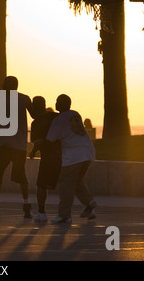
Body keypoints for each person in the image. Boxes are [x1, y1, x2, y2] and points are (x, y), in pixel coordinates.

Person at [46, 94, 96, 224]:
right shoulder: (75, 114)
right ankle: (89, 202)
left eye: (57, 101)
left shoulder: (58, 120)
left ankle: (64, 215)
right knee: (77, 180)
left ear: (61, 104)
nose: (55, 103)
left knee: (66, 184)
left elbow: (50, 139)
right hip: (88, 151)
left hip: (73, 156)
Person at [0, 76, 34, 218]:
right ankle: (26, 204)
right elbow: (35, 114)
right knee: (21, 176)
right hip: (19, 145)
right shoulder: (24, 99)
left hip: (2, 144)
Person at [29, 96, 61, 223]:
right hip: (62, 155)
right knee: (65, 185)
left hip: (48, 158)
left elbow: (39, 142)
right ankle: (65, 213)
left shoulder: (36, 122)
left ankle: (42, 212)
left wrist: (32, 151)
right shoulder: (55, 116)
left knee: (41, 185)